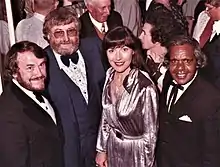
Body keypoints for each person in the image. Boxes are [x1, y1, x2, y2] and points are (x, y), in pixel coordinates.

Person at [43, 7, 105, 167]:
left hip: (100, 147)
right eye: (58, 33)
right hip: (66, 152)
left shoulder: (95, 48)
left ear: (78, 33)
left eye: (71, 31)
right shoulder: (41, 64)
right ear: (48, 36)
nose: (65, 39)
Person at [96, 26, 159, 167]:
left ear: (133, 52)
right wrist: (102, 149)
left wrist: (145, 164)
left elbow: (151, 135)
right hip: (113, 148)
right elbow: (106, 117)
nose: (117, 57)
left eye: (124, 50)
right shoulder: (109, 75)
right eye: (111, 50)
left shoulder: (144, 86)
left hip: (137, 154)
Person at [156, 35, 220, 167]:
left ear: (197, 61)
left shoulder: (211, 99)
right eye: (174, 61)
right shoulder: (169, 79)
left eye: (186, 61)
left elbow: (213, 154)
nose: (180, 68)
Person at [0, 41, 64, 167]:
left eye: (42, 65)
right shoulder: (8, 112)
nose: (39, 74)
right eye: (30, 68)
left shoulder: (33, 89)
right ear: (14, 72)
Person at [139, 6, 186, 91]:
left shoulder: (172, 65)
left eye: (144, 33)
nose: (140, 37)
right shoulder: (140, 57)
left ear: (157, 37)